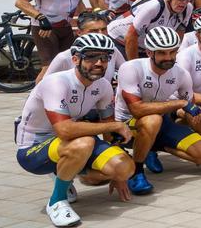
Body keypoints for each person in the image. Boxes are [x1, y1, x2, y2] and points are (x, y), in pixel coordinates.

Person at [15, 34, 134, 227]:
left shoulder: (103, 86)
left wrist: (119, 176)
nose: (99, 63)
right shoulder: (56, 82)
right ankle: (57, 201)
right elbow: (64, 130)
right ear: (75, 59)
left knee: (125, 167)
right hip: (33, 148)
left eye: (104, 58)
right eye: (91, 57)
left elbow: (109, 130)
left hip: (71, 142)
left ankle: (65, 173)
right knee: (83, 142)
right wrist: (114, 125)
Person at [114, 26, 201, 194]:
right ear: (149, 53)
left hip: (161, 123)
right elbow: (137, 110)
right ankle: (136, 171)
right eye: (162, 53)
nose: (168, 57)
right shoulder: (131, 68)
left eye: (172, 52)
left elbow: (194, 112)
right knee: (153, 119)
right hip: (127, 124)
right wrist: (179, 104)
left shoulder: (181, 74)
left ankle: (151, 147)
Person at [108, 0, 197, 59]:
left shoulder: (188, 8)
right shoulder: (154, 7)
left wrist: (173, 55)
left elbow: (179, 33)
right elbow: (131, 36)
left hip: (143, 46)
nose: (184, 3)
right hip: (119, 38)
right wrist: (134, 64)